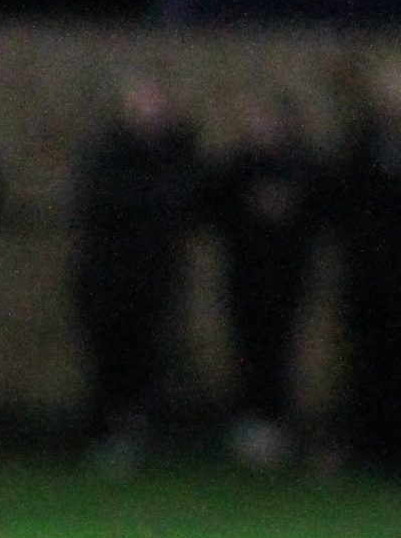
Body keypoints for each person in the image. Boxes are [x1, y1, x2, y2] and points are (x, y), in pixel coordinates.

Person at [69, 76, 201, 471]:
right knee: (111, 358)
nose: (149, 111)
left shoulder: (176, 155)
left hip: (156, 278)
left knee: (151, 359)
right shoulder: (108, 155)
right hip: (109, 278)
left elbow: (186, 200)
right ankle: (106, 432)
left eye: (155, 103)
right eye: (142, 103)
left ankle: (140, 433)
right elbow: (106, 205)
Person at [204, 93, 322, 470]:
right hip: (245, 276)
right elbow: (212, 210)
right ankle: (247, 426)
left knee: (280, 350)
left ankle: (276, 426)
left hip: (288, 278)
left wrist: (286, 208)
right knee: (246, 349)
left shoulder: (303, 165)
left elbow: (320, 214)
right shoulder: (238, 165)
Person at [331, 60, 401, 472]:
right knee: (368, 359)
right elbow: (347, 207)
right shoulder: (360, 149)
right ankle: (371, 446)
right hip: (369, 277)